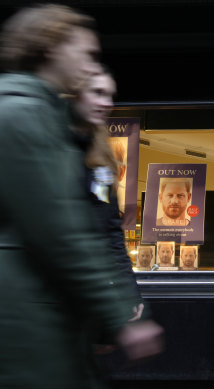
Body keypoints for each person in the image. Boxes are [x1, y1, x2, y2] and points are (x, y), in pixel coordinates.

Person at [0, 4, 163, 388]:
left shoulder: (40, 118)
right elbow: (59, 232)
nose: (93, 66)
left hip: (47, 311)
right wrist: (118, 315)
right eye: (87, 54)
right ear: (50, 49)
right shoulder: (24, 116)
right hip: (28, 314)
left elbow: (99, 234)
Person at [74, 68, 145, 321]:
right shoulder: (47, 147)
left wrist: (129, 291)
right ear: (74, 94)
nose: (108, 103)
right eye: (98, 93)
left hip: (87, 294)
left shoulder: (100, 161)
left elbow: (111, 232)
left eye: (110, 95)